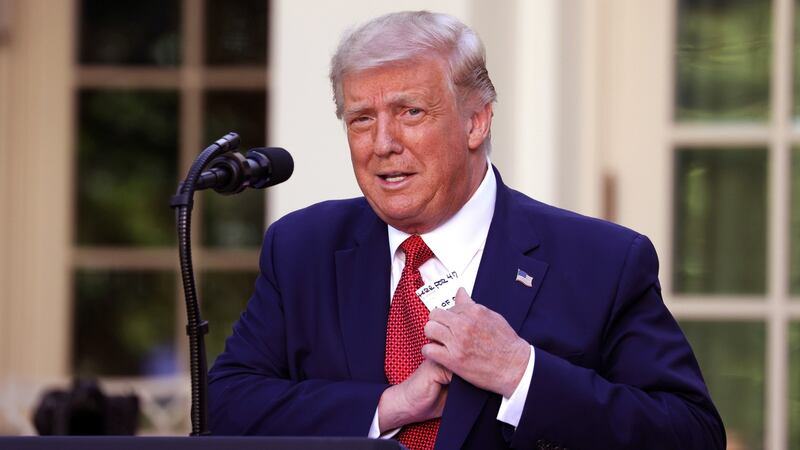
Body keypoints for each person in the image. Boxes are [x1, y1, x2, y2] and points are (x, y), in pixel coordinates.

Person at [208, 10, 726, 450]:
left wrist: (521, 374)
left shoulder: (603, 261)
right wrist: (386, 407)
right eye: (361, 119)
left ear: (477, 122)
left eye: (410, 112)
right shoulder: (304, 248)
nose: (382, 143)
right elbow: (224, 408)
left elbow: (691, 433)